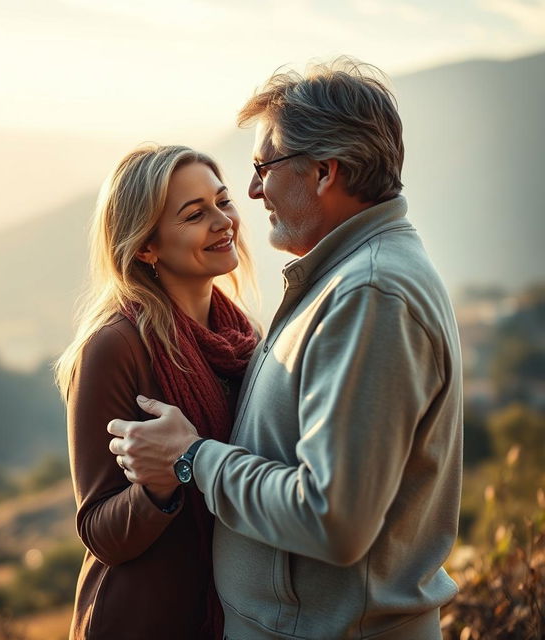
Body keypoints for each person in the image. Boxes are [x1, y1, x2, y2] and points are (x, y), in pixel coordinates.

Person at [108, 60, 463, 640]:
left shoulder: (369, 296)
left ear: (324, 172)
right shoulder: (345, 279)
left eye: (263, 167)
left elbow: (333, 520)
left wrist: (195, 458)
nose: (251, 192)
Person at [55, 144, 258, 639]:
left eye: (223, 201)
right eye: (194, 214)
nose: (222, 221)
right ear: (146, 246)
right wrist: (161, 486)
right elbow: (99, 530)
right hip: (142, 622)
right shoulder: (114, 346)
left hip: (234, 617)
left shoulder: (245, 338)